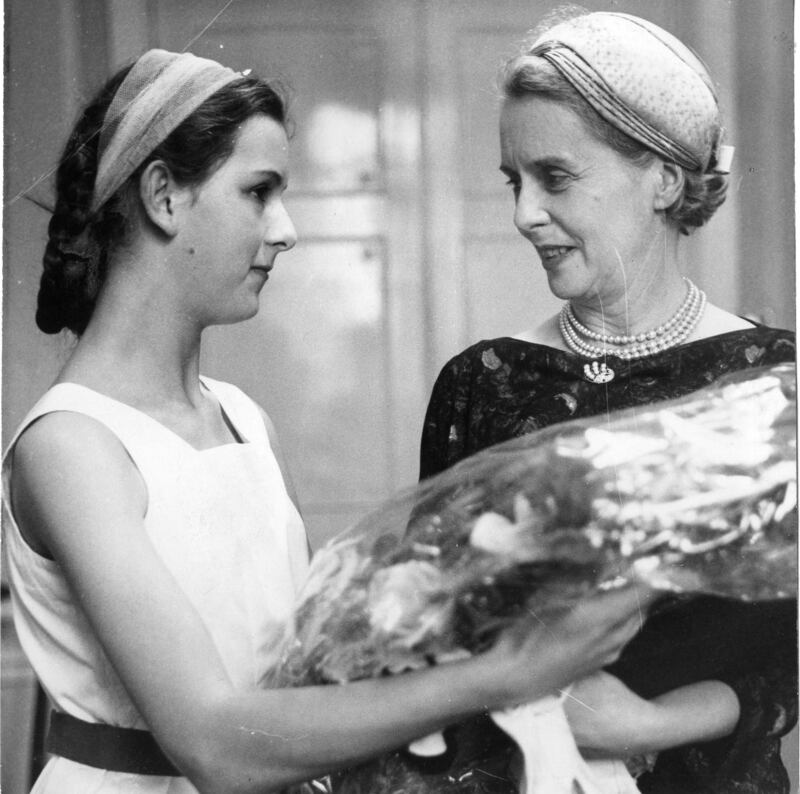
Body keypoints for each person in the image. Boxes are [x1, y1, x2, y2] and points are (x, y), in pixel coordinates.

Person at [1, 48, 655, 794]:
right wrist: (505, 672)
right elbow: (216, 746)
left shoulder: (241, 417)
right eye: (259, 192)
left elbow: (302, 677)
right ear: (163, 195)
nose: (285, 230)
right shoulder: (72, 447)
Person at [417, 10, 797, 794]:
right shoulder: (480, 385)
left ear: (663, 177)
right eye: (513, 182)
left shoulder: (773, 381)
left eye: (554, 178)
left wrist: (649, 725)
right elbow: (431, 647)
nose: (524, 213)